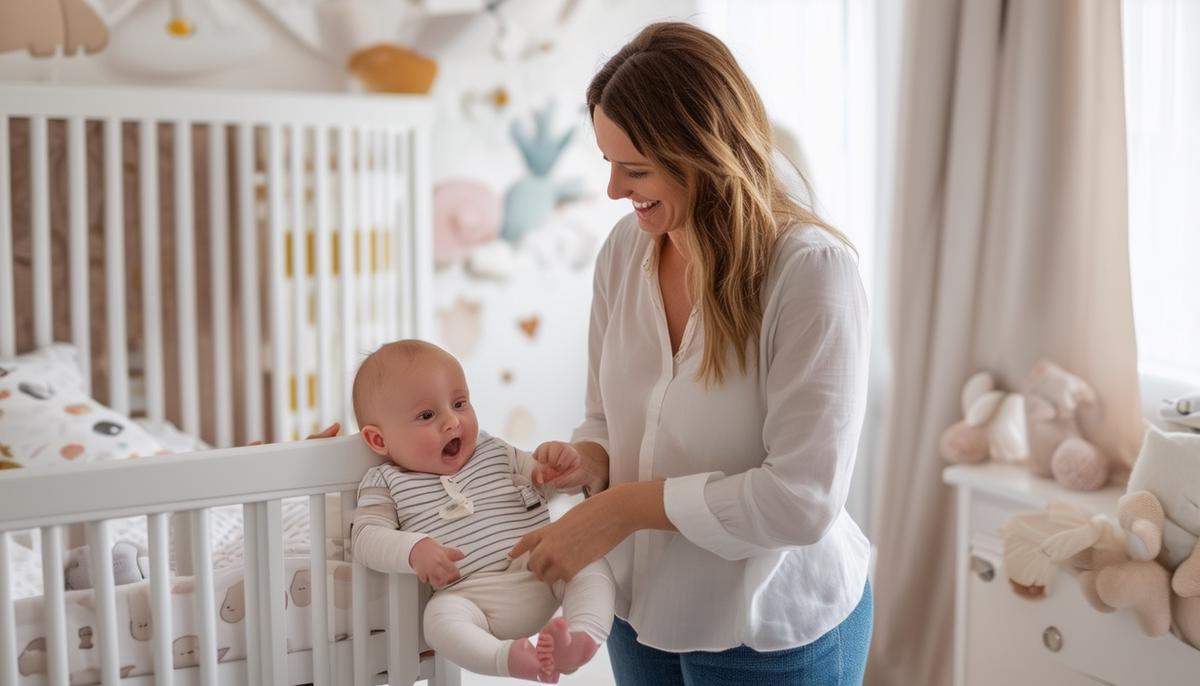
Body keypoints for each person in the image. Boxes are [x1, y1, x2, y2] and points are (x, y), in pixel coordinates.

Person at [507, 22, 874, 685]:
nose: (614, 190)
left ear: (703, 154)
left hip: (764, 626)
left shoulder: (812, 272)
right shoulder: (624, 251)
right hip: (639, 612)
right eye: (608, 162)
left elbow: (802, 501)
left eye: (636, 169)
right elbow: (603, 417)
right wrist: (587, 459)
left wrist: (617, 509)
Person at [348, 340, 615, 683]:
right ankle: (513, 660)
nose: (451, 422)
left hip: (539, 567)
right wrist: (413, 550)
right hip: (470, 595)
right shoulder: (385, 481)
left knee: (590, 562)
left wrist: (553, 465)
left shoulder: (494, 450)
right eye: (427, 415)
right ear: (378, 441)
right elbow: (366, 537)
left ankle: (582, 638)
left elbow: (543, 482)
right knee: (438, 620)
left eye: (459, 404)